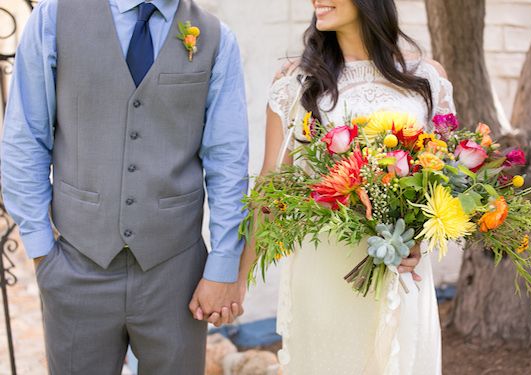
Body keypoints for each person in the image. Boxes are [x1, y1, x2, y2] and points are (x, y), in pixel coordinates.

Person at [1, 0, 249, 373]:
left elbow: (228, 161)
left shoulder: (216, 38)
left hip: (176, 273)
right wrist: (42, 253)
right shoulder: (54, 18)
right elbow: (25, 138)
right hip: (76, 265)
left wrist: (223, 265)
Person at [257, 0, 455, 373]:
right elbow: (270, 186)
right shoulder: (295, 80)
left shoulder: (426, 78)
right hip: (325, 269)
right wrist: (235, 275)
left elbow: (447, 181)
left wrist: (417, 239)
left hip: (403, 272)